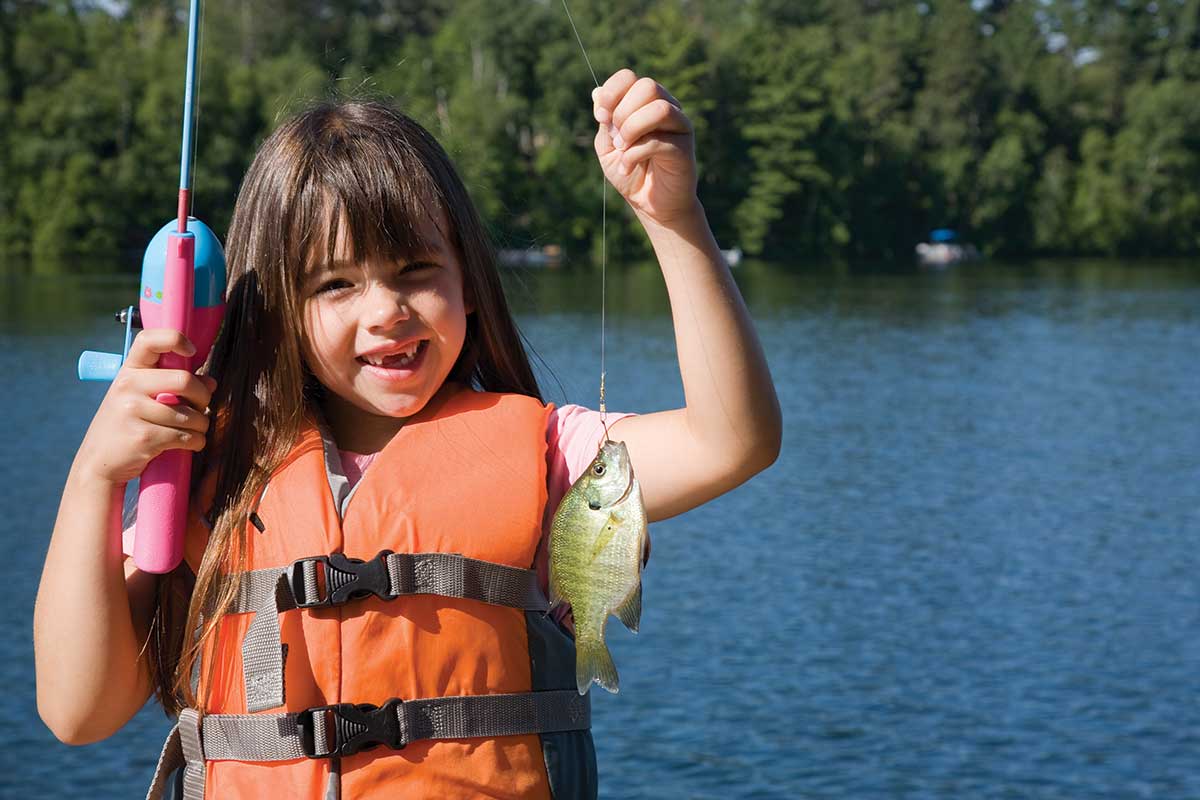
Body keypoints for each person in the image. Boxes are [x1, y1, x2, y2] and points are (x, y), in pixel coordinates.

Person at [34, 69, 781, 799]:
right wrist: (95, 477)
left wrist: (674, 219)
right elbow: (78, 712)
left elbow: (732, 442)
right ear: (276, 308)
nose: (386, 309)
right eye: (337, 284)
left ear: (468, 276)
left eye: (417, 269)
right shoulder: (210, 476)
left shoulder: (558, 455)